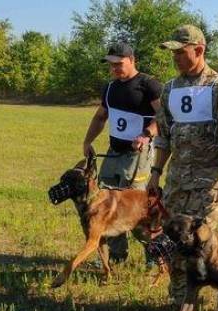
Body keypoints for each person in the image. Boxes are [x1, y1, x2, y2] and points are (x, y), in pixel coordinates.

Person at [150, 24, 218, 307]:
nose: (175, 58)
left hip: (209, 183)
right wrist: (156, 173)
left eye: (180, 52)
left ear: (199, 50)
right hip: (177, 182)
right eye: (173, 53)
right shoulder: (170, 89)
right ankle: (181, 297)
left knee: (203, 242)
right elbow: (164, 136)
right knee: (174, 240)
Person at [81, 42, 162, 266]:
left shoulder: (149, 85)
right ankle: (117, 256)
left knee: (137, 206)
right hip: (113, 154)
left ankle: (154, 256)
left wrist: (146, 134)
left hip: (138, 156)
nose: (114, 68)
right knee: (105, 205)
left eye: (119, 63)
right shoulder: (109, 88)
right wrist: (88, 141)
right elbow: (100, 117)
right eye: (111, 65)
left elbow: (164, 116)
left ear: (132, 60)